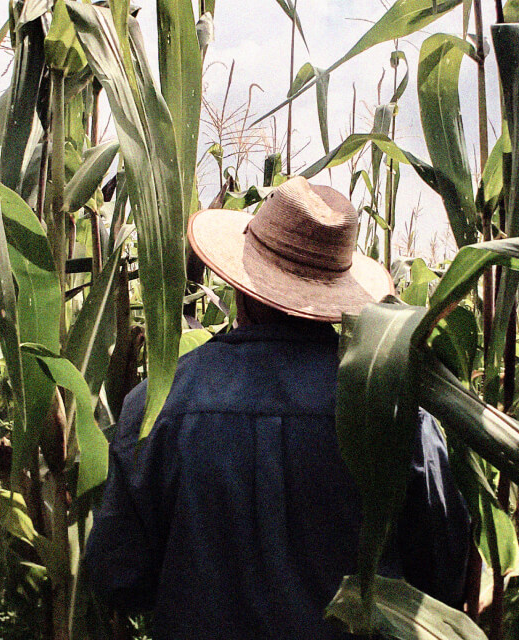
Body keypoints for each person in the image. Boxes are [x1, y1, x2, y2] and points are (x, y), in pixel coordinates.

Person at [84, 176, 471, 638]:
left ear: (240, 284)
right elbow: (444, 580)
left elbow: (118, 579)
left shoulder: (157, 404)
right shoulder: (391, 409)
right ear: (338, 293)